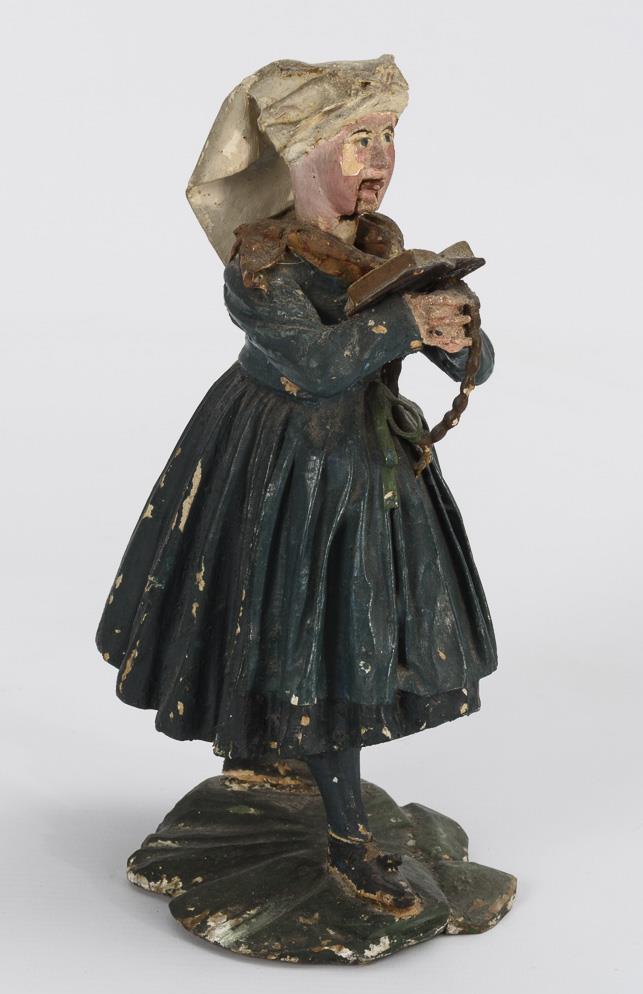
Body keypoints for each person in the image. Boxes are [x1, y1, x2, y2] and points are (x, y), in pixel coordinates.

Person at [97, 56, 497, 918]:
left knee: (348, 630)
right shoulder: (262, 263)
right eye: (358, 139)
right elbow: (312, 365)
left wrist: (458, 336)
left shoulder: (384, 249)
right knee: (309, 632)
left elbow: (471, 361)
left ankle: (293, 761)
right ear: (301, 153)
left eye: (387, 137)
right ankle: (346, 844)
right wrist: (401, 323)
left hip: (368, 465)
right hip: (286, 465)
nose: (378, 157)